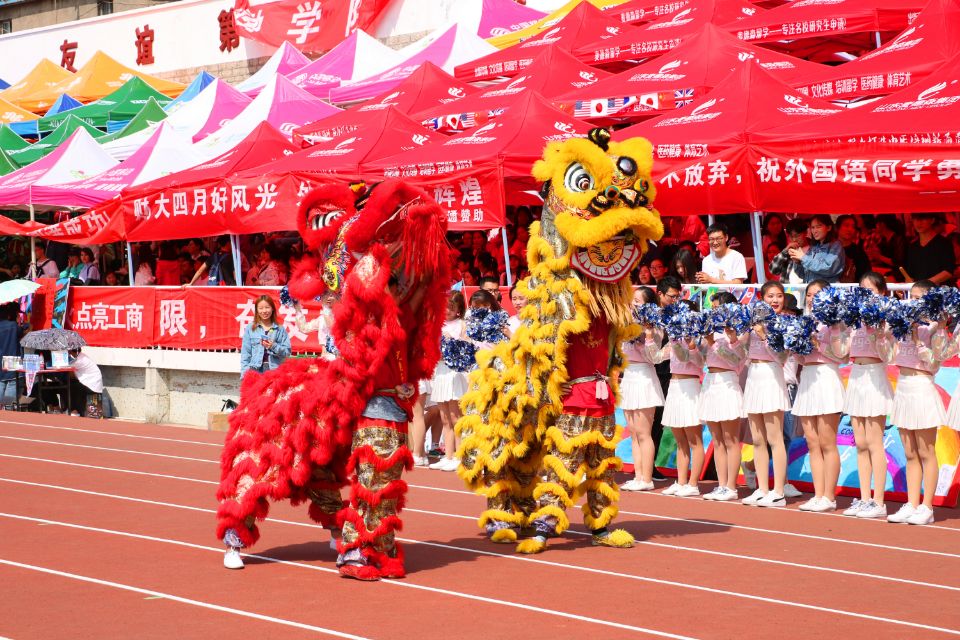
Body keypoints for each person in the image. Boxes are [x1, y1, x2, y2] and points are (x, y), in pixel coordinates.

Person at [887, 280, 946, 526]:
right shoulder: (903, 325)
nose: (915, 302)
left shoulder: (936, 329)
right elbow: (888, 356)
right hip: (903, 386)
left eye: (920, 297)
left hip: (922, 387)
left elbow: (934, 362)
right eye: (912, 297)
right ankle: (911, 503)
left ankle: (927, 507)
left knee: (926, 451)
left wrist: (917, 338)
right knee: (910, 452)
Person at [842, 272, 895, 519]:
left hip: (875, 377)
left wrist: (877, 330)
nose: (866, 295)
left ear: (882, 292)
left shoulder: (887, 319)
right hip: (856, 376)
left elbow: (889, 355)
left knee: (874, 443)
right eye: (863, 290)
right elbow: (841, 353)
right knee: (861, 443)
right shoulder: (854, 319)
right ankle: (864, 498)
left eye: (871, 290)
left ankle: (879, 501)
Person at [793, 280, 848, 513]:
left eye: (818, 294)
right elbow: (801, 359)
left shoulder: (836, 323)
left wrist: (818, 344)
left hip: (827, 377)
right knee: (812, 442)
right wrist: (796, 347)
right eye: (809, 294)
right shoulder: (806, 322)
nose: (812, 298)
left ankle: (829, 496)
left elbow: (842, 355)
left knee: (827, 441)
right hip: (808, 378)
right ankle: (818, 495)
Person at [741, 281, 791, 507]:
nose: (775, 300)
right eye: (770, 296)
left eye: (779, 296)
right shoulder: (752, 323)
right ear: (762, 299)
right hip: (754, 377)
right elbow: (740, 351)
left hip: (772, 376)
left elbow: (782, 357)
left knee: (775, 438)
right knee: (758, 440)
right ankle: (762, 489)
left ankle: (778, 491)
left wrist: (764, 337)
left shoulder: (785, 324)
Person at [699, 291, 747, 502]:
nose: (714, 311)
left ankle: (731, 487)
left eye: (717, 307)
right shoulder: (710, 330)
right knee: (717, 440)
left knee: (730, 439)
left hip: (728, 382)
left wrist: (713, 342)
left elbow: (736, 360)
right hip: (710, 382)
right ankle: (721, 485)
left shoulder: (739, 331)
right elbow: (699, 358)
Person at [619, 287, 666, 492]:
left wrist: (647, 335)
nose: (633, 304)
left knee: (644, 433)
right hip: (629, 376)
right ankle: (638, 476)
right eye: (633, 301)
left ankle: (647, 478)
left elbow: (654, 357)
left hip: (644, 378)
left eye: (637, 301)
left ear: (648, 305)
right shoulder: (628, 325)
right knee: (634, 433)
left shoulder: (656, 327)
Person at [661, 299, 705, 498]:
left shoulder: (698, 337)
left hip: (690, 386)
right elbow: (655, 357)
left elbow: (693, 360)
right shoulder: (674, 336)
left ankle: (693, 484)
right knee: (680, 440)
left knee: (694, 440)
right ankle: (681, 482)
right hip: (674, 386)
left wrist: (690, 345)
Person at [429, 292, 470, 472]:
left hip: (455, 373)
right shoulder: (437, 324)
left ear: (459, 310)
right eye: (444, 307)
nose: (447, 311)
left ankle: (460, 456)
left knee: (456, 417)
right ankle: (448, 456)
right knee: (445, 418)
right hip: (441, 371)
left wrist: (452, 341)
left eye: (451, 308)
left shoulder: (462, 325)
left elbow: (467, 348)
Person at [239, 295, 291, 377]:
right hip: (255, 370)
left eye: (267, 307)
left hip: (274, 371)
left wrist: (273, 346)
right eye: (261, 308)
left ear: (272, 308)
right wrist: (244, 375)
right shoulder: (250, 328)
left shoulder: (280, 329)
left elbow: (287, 352)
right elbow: (245, 353)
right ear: (257, 310)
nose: (264, 311)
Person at [904, 213, 955, 284]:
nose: (919, 222)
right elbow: (910, 274)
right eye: (915, 218)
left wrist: (925, 284)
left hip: (940, 289)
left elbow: (948, 271)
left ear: (932, 220)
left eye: (923, 218)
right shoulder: (913, 247)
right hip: (918, 289)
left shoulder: (944, 243)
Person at [769, 218, 810, 285]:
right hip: (788, 289)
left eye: (797, 236)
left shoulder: (815, 249)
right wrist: (785, 251)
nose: (794, 239)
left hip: (807, 288)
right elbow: (773, 270)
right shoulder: (787, 251)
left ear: (806, 232)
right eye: (791, 236)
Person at [836, 215, 870, 283]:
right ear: (837, 228)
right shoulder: (828, 249)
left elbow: (865, 276)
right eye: (846, 225)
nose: (850, 229)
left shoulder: (859, 253)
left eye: (853, 227)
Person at [0, 303, 22, 406]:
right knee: (12, 382)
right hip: (13, 359)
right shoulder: (13, 326)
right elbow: (22, 333)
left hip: (1, 360)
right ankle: (8, 409)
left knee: (1, 383)